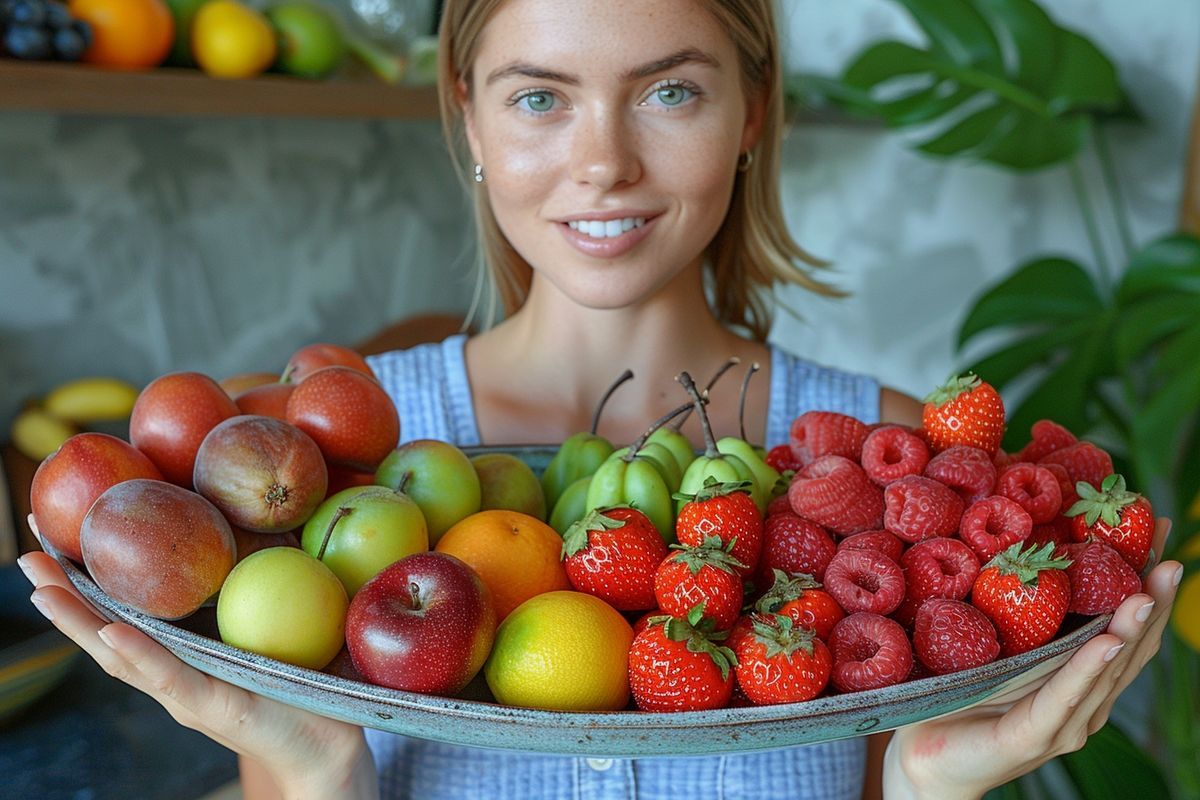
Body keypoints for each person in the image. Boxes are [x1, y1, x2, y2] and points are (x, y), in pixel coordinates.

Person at [17, 0, 1183, 798]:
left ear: (751, 115)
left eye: (670, 90)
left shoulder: (890, 464)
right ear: (466, 114)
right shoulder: (328, 452)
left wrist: (935, 785)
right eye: (539, 98)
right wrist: (316, 773)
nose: (603, 161)